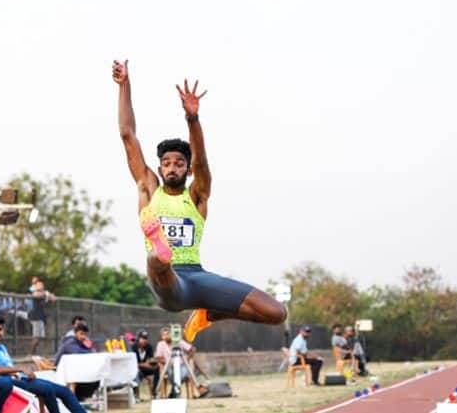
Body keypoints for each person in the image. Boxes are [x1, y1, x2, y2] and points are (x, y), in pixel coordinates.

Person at [112, 59, 286, 342]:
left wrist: (192, 119)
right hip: (168, 283)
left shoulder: (197, 195)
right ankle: (159, 246)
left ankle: (209, 313)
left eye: (179, 163)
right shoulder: (148, 189)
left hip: (197, 276)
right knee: (157, 259)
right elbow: (127, 134)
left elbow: (202, 160)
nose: (172, 167)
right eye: (166, 163)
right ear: (159, 169)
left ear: (187, 170)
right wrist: (124, 86)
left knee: (277, 312)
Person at [0, 314, 87, 413]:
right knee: (47, 389)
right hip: (9, 383)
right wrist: (20, 369)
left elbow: (9, 367)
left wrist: (23, 371)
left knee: (64, 391)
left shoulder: (1, 347)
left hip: (21, 378)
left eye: (0, 329)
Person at [54, 322, 100, 402]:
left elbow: (89, 351)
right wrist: (90, 351)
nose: (83, 337)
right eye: (81, 334)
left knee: (96, 376)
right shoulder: (70, 342)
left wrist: (90, 349)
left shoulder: (80, 342)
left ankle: (80, 398)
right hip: (62, 372)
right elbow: (78, 352)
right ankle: (77, 399)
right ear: (75, 333)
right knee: (92, 378)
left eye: (85, 334)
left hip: (74, 370)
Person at [28, 279, 56, 355]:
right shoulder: (35, 293)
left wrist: (48, 295)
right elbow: (36, 295)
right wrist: (46, 294)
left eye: (42, 285)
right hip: (36, 317)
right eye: (40, 284)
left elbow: (53, 298)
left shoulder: (44, 293)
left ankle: (33, 354)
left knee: (40, 337)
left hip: (41, 317)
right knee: (36, 337)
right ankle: (31, 354)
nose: (41, 286)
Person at [131, 330, 160, 399]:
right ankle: (135, 395)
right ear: (138, 338)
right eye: (143, 338)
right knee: (137, 373)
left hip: (146, 368)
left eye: (146, 338)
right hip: (136, 368)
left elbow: (151, 358)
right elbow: (133, 363)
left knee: (157, 368)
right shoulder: (133, 347)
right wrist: (144, 364)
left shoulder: (149, 347)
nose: (145, 340)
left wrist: (153, 361)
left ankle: (154, 391)